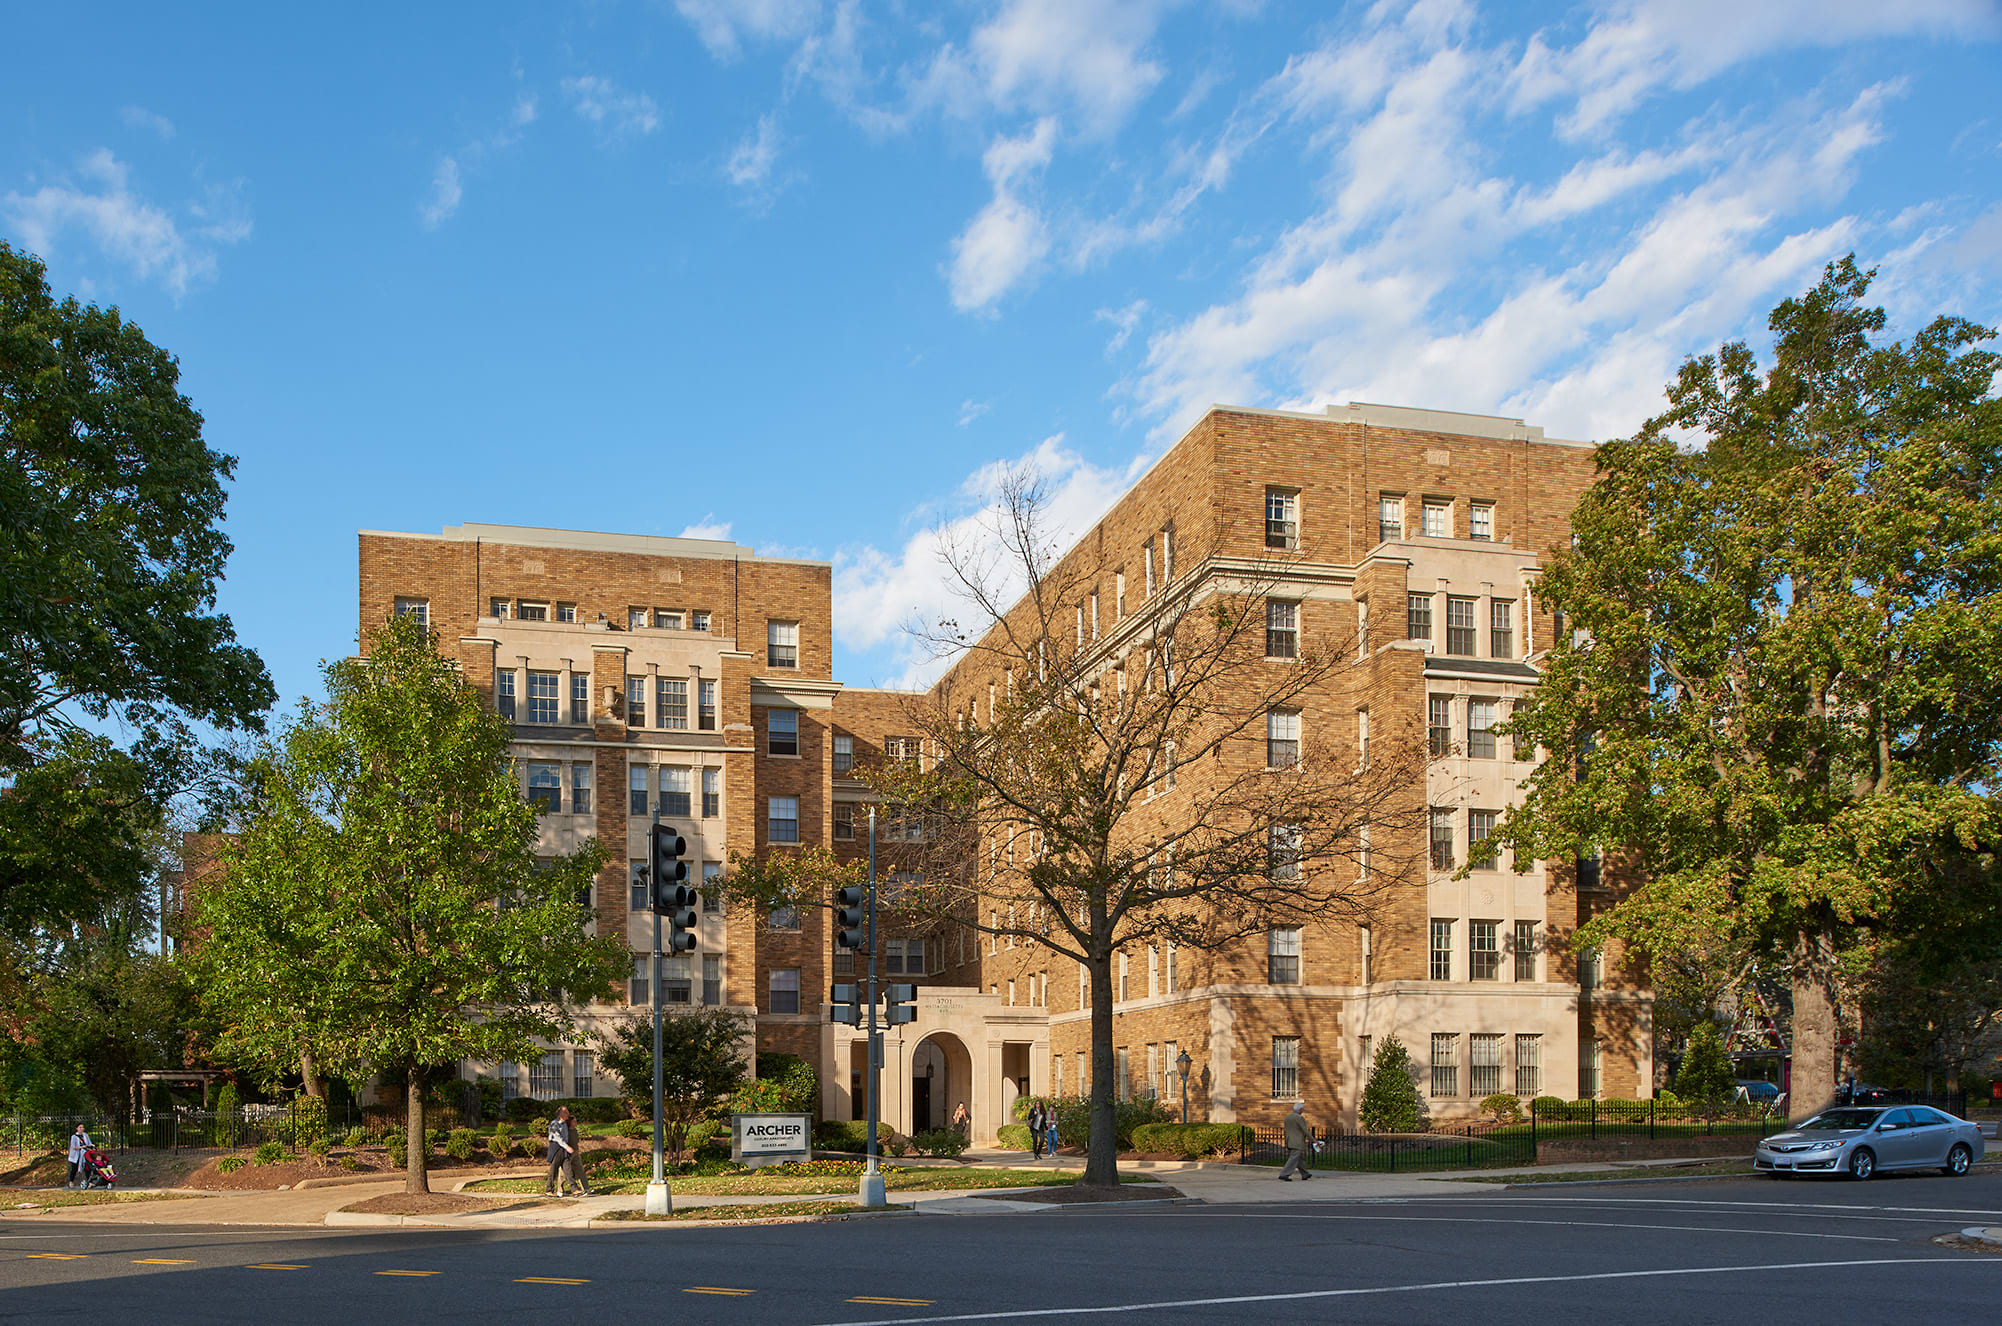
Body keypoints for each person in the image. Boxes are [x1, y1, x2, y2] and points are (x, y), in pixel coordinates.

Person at [1278, 1100, 1314, 1181]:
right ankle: (1284, 1174)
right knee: (1293, 1158)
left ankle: (1305, 1174)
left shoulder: (1287, 1117)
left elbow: (1285, 1130)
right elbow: (1305, 1130)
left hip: (1289, 1140)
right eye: (1302, 1110)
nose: (1302, 1111)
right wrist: (1314, 1140)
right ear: (1300, 1109)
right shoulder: (1299, 1118)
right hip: (1297, 1142)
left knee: (1300, 1158)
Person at [66, 1124, 93, 1189]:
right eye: (80, 1127)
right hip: (77, 1155)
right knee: (74, 1168)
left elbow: (89, 1143)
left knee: (87, 1167)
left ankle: (89, 1182)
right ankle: (71, 1181)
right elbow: (73, 1147)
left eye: (82, 1127)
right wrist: (81, 1147)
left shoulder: (85, 1135)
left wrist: (90, 1146)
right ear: (77, 1128)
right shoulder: (74, 1137)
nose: (81, 1128)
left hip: (85, 1154)